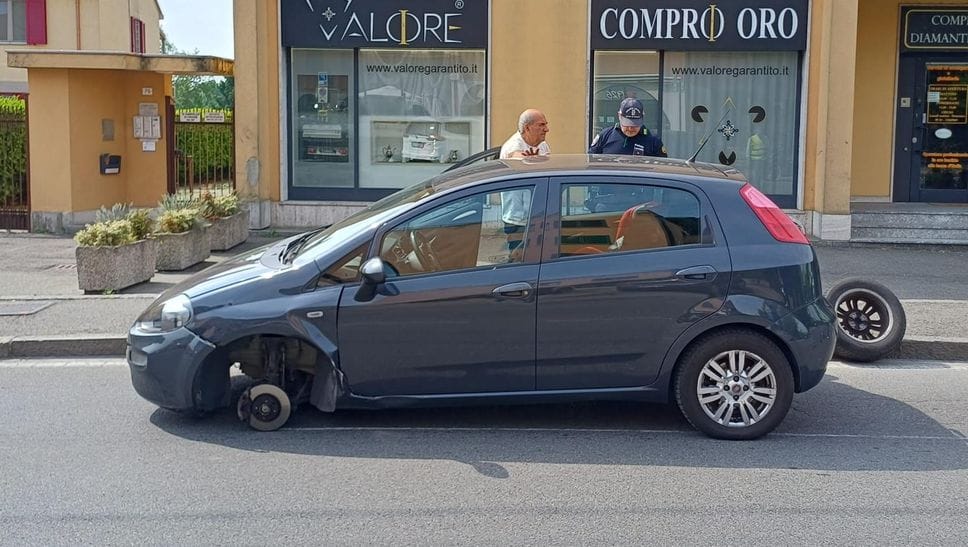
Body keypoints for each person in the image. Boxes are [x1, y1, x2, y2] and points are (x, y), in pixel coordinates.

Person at [499, 109, 550, 253]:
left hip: (539, 216)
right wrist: (530, 161)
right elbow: (517, 157)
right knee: (519, 260)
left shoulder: (543, 146)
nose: (546, 129)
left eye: (546, 124)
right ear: (527, 127)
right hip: (518, 219)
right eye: (541, 125)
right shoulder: (513, 145)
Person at [588, 97, 667, 157]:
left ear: (642, 118)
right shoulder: (605, 136)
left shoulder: (653, 141)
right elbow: (591, 162)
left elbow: (662, 169)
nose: (630, 129)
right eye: (627, 125)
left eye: (635, 125)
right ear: (619, 116)